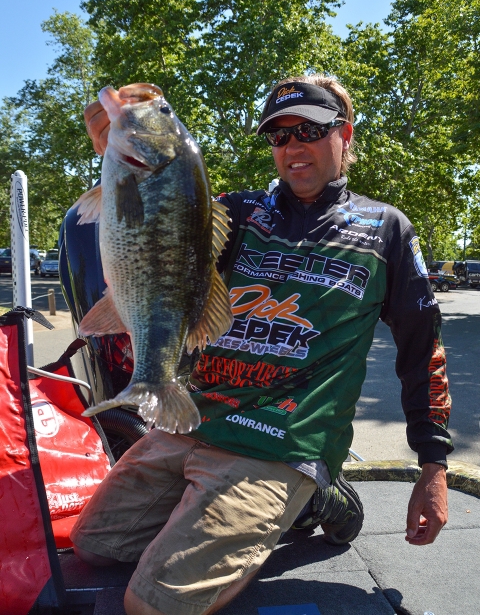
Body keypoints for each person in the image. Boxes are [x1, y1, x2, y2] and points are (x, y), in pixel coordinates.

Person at [71, 75, 453, 615]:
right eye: (279, 135)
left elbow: (422, 352)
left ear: (344, 133)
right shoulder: (238, 212)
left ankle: (316, 491)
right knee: (94, 546)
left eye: (309, 131)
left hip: (282, 442)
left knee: (153, 605)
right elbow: (159, 228)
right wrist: (117, 158)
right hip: (196, 418)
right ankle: (301, 505)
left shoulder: (386, 230)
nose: (293, 146)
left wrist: (433, 467)